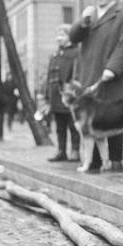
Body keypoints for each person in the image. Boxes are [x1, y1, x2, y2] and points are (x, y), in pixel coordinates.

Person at [69, 0, 123, 173]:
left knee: (114, 115)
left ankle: (115, 159)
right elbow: (74, 37)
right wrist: (82, 22)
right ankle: (95, 162)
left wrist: (113, 68)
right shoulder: (89, 16)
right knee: (92, 118)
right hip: (89, 73)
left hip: (110, 76)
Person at [45, 23, 80, 162]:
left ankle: (75, 151)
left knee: (73, 125)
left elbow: (77, 74)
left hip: (70, 95)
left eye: (62, 35)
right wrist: (47, 95)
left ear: (70, 36)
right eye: (57, 35)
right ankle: (61, 150)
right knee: (59, 126)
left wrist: (72, 89)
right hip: (55, 95)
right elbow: (49, 77)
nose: (59, 38)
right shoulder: (54, 55)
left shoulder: (76, 52)